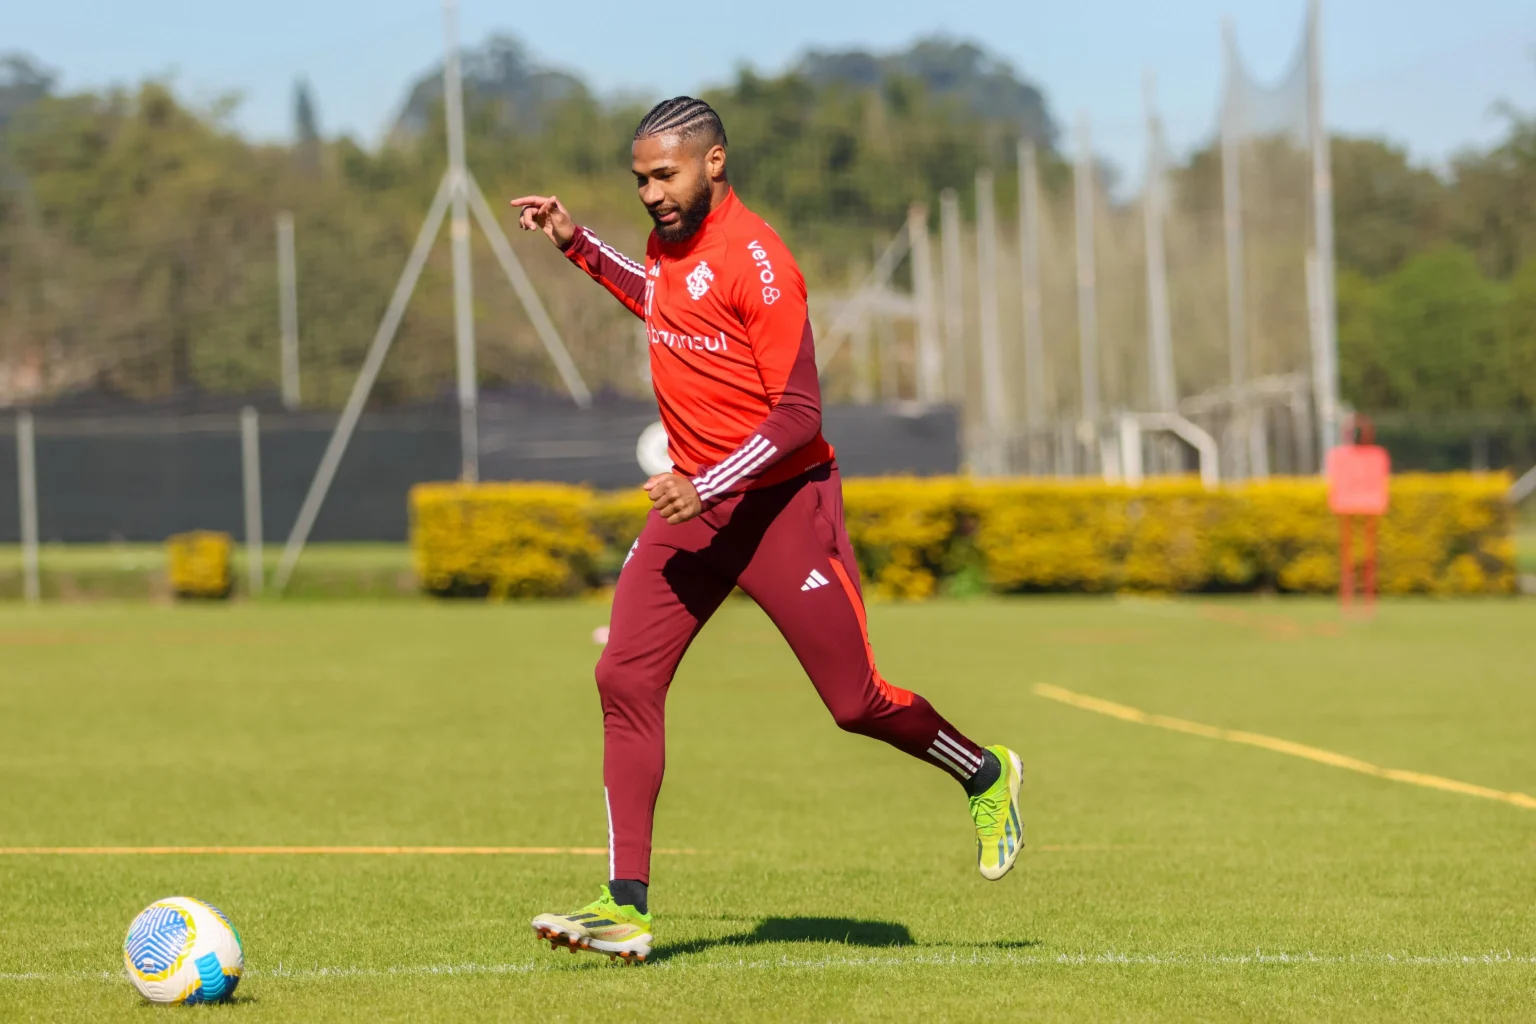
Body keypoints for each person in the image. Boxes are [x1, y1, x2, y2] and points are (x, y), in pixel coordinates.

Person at [513, 97, 1023, 964]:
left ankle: (983, 772)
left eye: (663, 175)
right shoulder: (667, 245)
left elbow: (799, 413)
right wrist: (574, 243)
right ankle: (625, 902)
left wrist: (703, 482)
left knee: (854, 702)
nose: (650, 193)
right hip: (693, 510)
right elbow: (664, 306)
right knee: (623, 674)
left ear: (713, 163)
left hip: (784, 509)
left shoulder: (762, 261)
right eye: (638, 179)